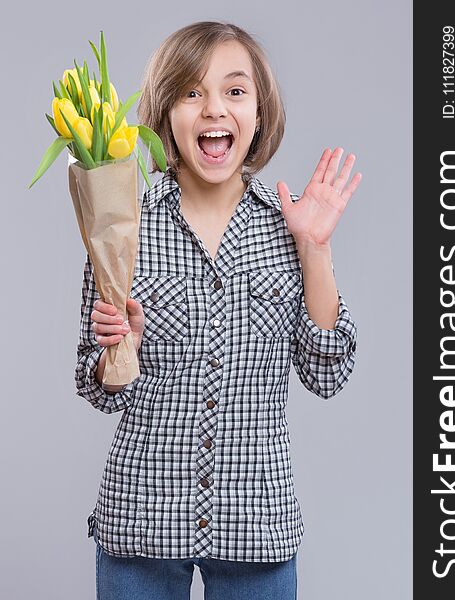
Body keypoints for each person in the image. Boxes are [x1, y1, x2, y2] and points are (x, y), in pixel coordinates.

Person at [75, 20, 361, 600]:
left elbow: (328, 373)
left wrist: (316, 248)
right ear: (165, 112)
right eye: (191, 92)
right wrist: (115, 350)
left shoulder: (291, 226)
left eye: (234, 91)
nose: (214, 109)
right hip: (141, 522)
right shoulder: (121, 224)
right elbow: (98, 388)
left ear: (259, 112)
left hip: (257, 526)